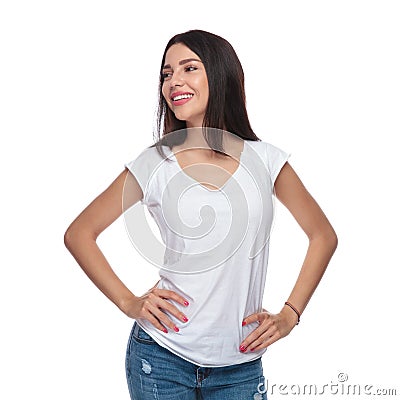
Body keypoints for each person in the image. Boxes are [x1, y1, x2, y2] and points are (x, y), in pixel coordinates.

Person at [64, 29, 338, 400]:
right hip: (161, 356)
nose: (173, 81)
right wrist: (129, 301)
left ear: (220, 74)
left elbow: (322, 235)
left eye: (188, 68)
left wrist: (290, 314)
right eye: (166, 73)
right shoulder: (154, 163)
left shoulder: (267, 160)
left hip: (241, 364)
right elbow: (80, 233)